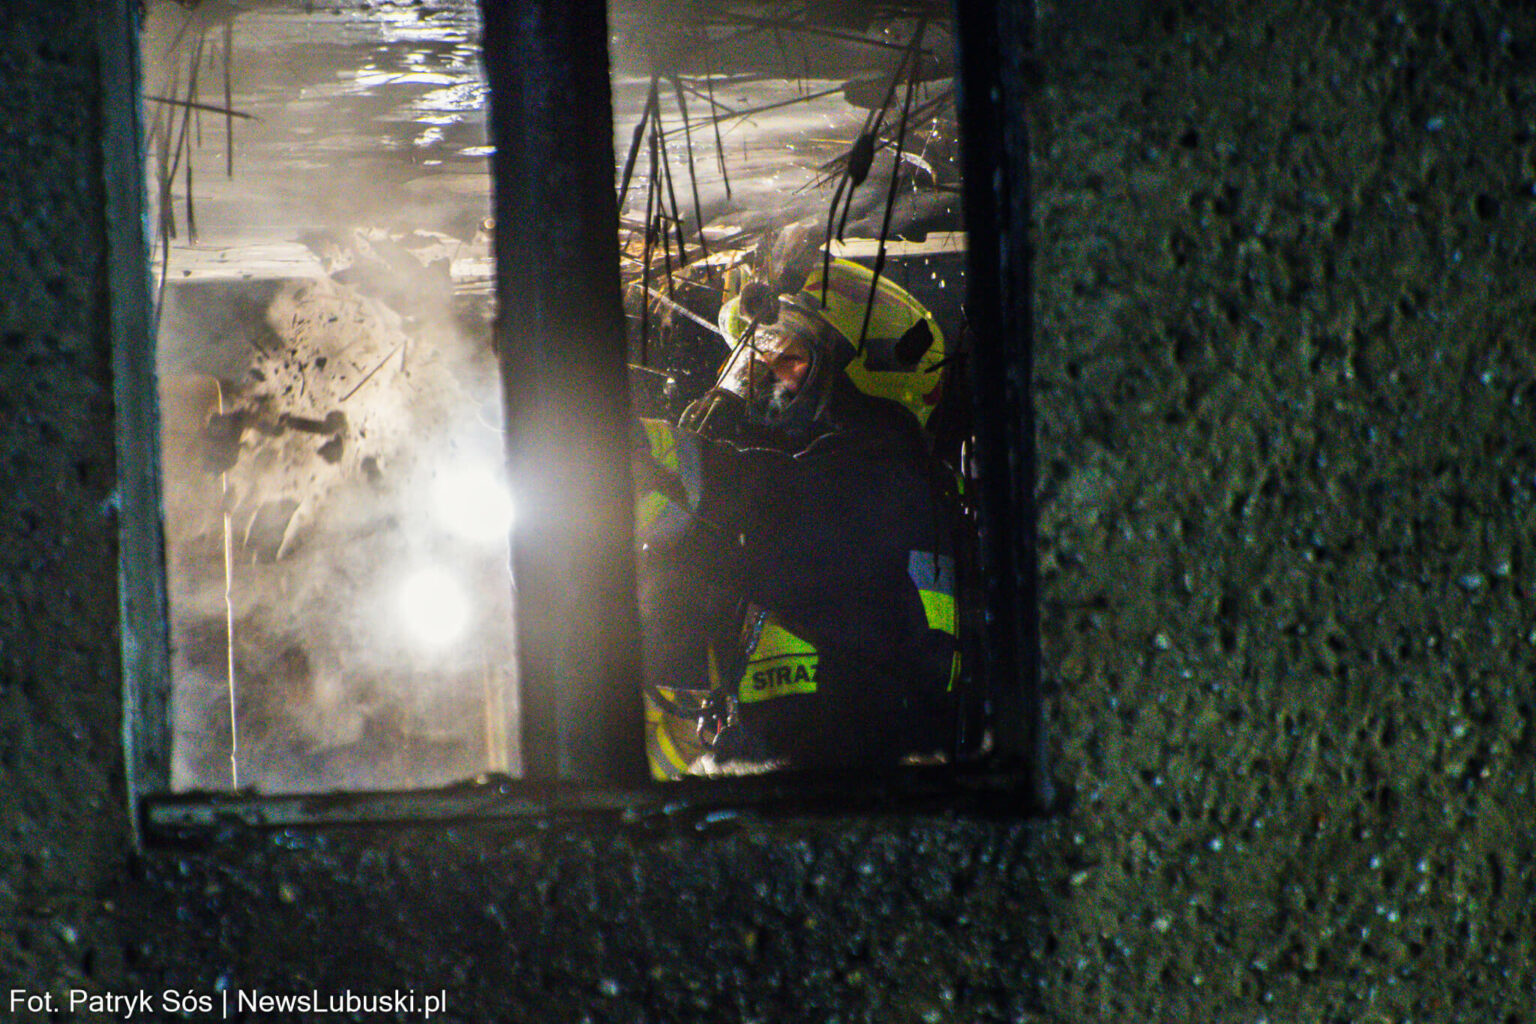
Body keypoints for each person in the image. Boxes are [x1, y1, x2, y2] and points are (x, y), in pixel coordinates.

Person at [634, 252, 968, 777]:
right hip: (789, 782)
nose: (765, 375)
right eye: (757, 356)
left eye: (791, 360)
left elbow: (760, 493)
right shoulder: (821, 528)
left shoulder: (881, 485)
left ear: (859, 378)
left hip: (839, 793)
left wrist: (630, 447)